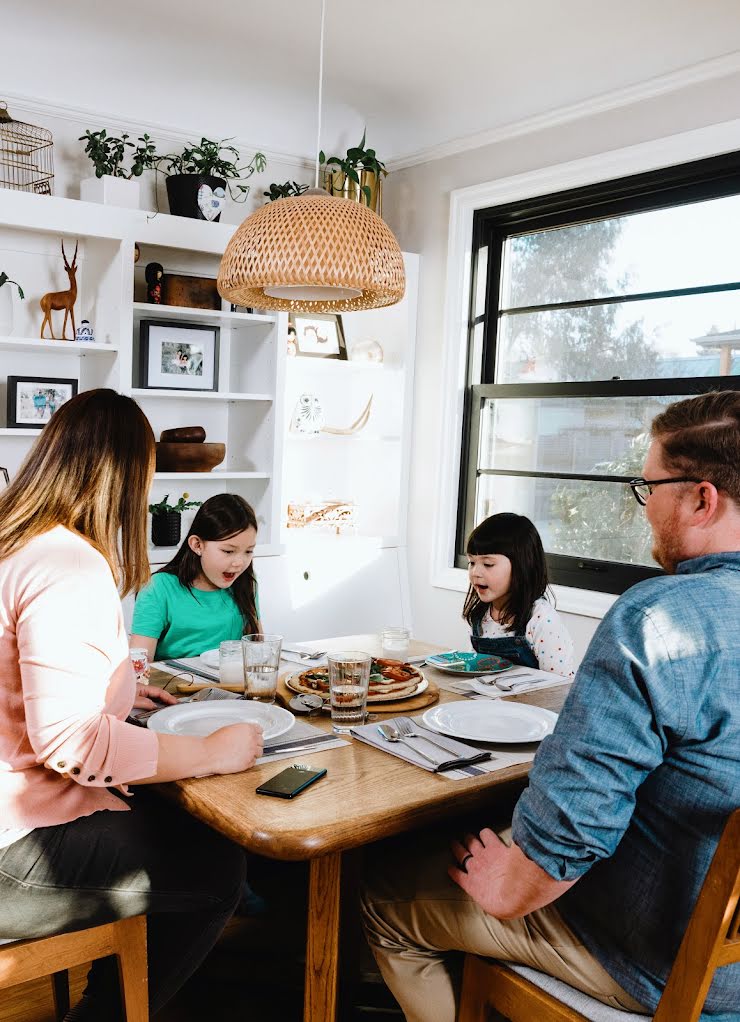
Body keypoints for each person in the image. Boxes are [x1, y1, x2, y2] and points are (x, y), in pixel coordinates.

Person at [362, 390, 740, 1021]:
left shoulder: (660, 619)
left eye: (648, 488)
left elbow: (577, 819)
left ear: (702, 499)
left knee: (383, 896)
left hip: (658, 963)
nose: (645, 508)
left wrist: (511, 888)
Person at [0, 389, 264, 1021]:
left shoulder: (18, 543)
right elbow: (73, 744)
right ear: (128, 475)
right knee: (217, 865)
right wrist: (209, 751)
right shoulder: (69, 563)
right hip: (11, 850)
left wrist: (115, 691)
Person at [130, 492, 261, 663]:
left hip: (232, 678)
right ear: (197, 545)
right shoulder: (158, 588)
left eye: (248, 551)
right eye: (228, 551)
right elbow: (139, 664)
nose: (239, 563)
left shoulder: (245, 582)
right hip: (175, 679)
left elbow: (258, 649)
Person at [464, 512, 575, 676]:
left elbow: (560, 684)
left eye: (488, 564)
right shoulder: (480, 616)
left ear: (521, 566)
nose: (475, 572)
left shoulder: (542, 619)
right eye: (472, 562)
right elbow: (473, 669)